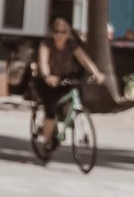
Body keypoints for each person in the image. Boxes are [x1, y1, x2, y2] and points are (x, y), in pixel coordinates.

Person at [32, 15, 102, 148]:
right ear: (52, 32)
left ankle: (67, 119)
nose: (59, 35)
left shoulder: (71, 44)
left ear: (68, 33)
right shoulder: (46, 44)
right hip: (45, 81)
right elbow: (43, 61)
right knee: (51, 109)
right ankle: (46, 140)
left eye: (63, 32)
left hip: (63, 78)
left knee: (74, 93)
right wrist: (47, 76)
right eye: (56, 32)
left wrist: (96, 73)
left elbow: (84, 60)